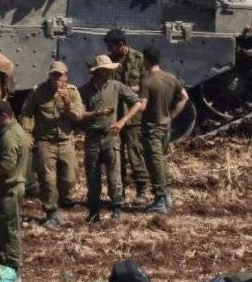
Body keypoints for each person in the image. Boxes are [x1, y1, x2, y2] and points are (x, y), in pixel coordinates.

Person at [18, 60, 90, 230]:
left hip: (65, 141)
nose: (57, 78)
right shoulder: (38, 92)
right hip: (45, 141)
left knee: (69, 178)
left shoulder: (72, 92)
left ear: (66, 76)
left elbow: (78, 116)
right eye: (54, 75)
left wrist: (67, 106)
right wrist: (27, 133)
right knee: (48, 180)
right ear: (49, 76)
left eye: (60, 75)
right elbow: (27, 114)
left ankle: (64, 198)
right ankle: (51, 212)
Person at [78, 55, 145, 222]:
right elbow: (79, 114)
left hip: (111, 137)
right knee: (92, 176)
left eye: (110, 69)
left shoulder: (116, 86)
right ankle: (94, 211)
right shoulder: (85, 90)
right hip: (92, 138)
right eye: (106, 69)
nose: (109, 72)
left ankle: (116, 208)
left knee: (114, 175)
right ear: (97, 71)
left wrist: (122, 121)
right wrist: (96, 114)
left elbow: (137, 103)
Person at [139, 46, 189, 214]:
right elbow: (184, 98)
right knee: (161, 162)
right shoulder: (170, 78)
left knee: (155, 164)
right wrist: (172, 115)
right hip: (166, 127)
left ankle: (160, 199)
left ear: (146, 60)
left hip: (151, 129)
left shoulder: (146, 80)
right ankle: (165, 196)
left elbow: (143, 105)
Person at [0, 99, 29, 272]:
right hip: (4, 189)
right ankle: (3, 263)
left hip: (8, 189)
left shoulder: (10, 136)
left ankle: (12, 267)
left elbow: (7, 167)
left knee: (8, 232)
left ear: (4, 116)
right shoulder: (13, 131)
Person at [104, 29, 150, 200]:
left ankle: (141, 190)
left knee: (135, 152)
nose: (109, 51)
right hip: (115, 114)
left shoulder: (139, 59)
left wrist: (128, 90)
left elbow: (147, 84)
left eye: (112, 47)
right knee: (116, 156)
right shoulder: (109, 62)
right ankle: (119, 191)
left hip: (133, 115)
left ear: (121, 45)